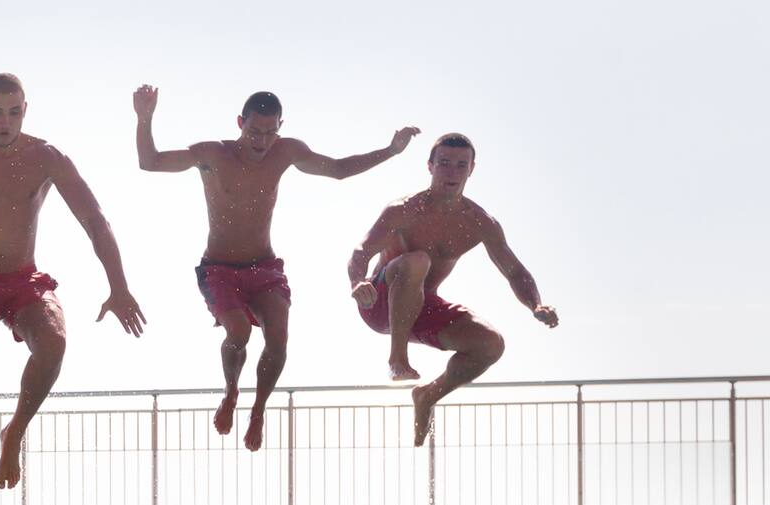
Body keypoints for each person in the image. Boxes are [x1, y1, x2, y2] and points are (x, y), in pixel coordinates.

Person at [134, 86, 418, 450]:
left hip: (264, 267)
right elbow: (150, 162)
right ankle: (231, 392)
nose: (262, 141)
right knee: (238, 332)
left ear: (280, 128)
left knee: (278, 339)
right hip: (219, 269)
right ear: (240, 123)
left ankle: (258, 411)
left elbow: (338, 170)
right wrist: (144, 118)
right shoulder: (212, 154)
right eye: (255, 132)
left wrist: (391, 150)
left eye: (271, 132)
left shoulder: (286, 152)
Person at [0, 73, 144, 490]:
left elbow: (94, 220)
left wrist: (119, 287)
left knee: (54, 342)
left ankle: (14, 431)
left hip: (23, 279)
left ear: (24, 111)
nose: (5, 122)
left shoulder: (46, 157)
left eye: (13, 113)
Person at [348, 133, 559, 446]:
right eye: (444, 163)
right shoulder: (403, 210)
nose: (452, 172)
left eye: (461, 165)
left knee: (490, 344)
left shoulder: (479, 222)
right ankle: (397, 359)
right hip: (379, 301)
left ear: (472, 169)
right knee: (417, 261)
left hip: (421, 307)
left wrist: (535, 305)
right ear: (430, 166)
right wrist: (357, 281)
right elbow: (361, 250)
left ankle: (428, 395)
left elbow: (514, 271)